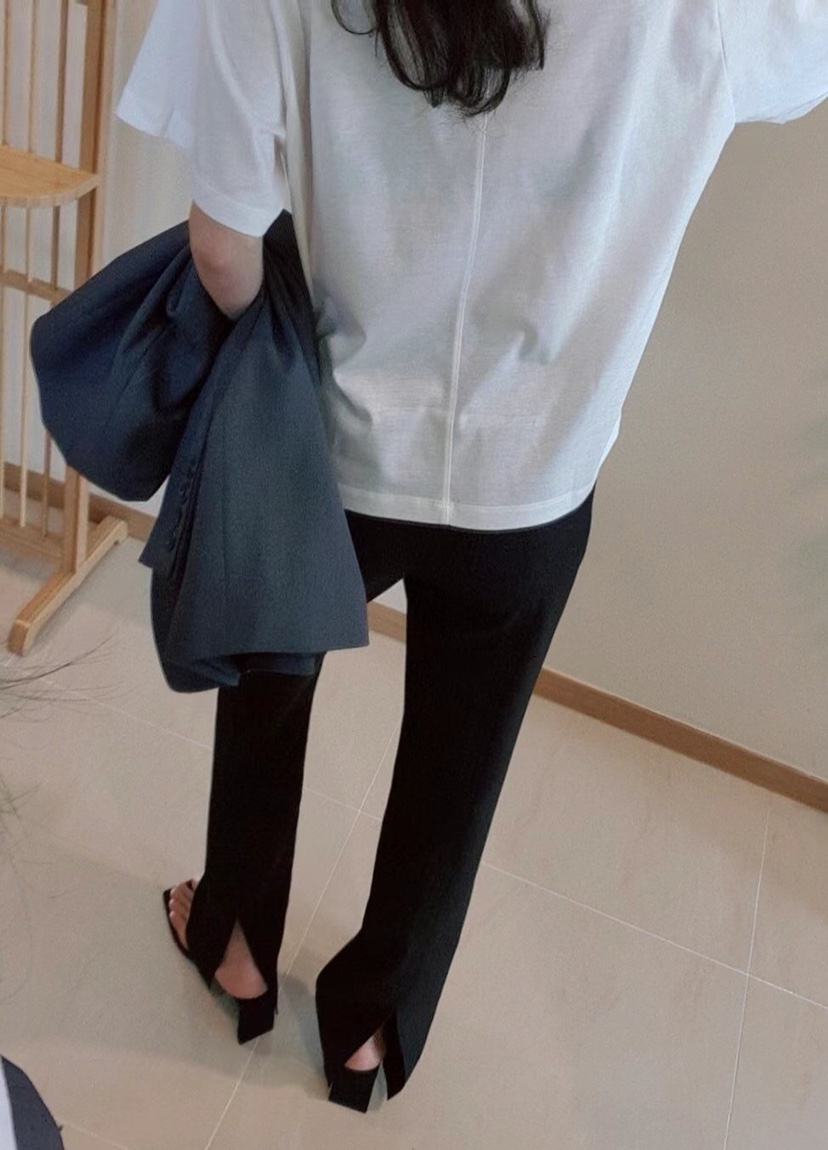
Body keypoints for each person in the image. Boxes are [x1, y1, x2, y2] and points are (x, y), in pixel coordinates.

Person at [116, 0, 828, 1113]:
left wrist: (267, 370)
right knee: (463, 757)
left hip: (329, 452)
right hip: (536, 472)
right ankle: (370, 1029)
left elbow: (220, 244)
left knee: (265, 690)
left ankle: (238, 945)